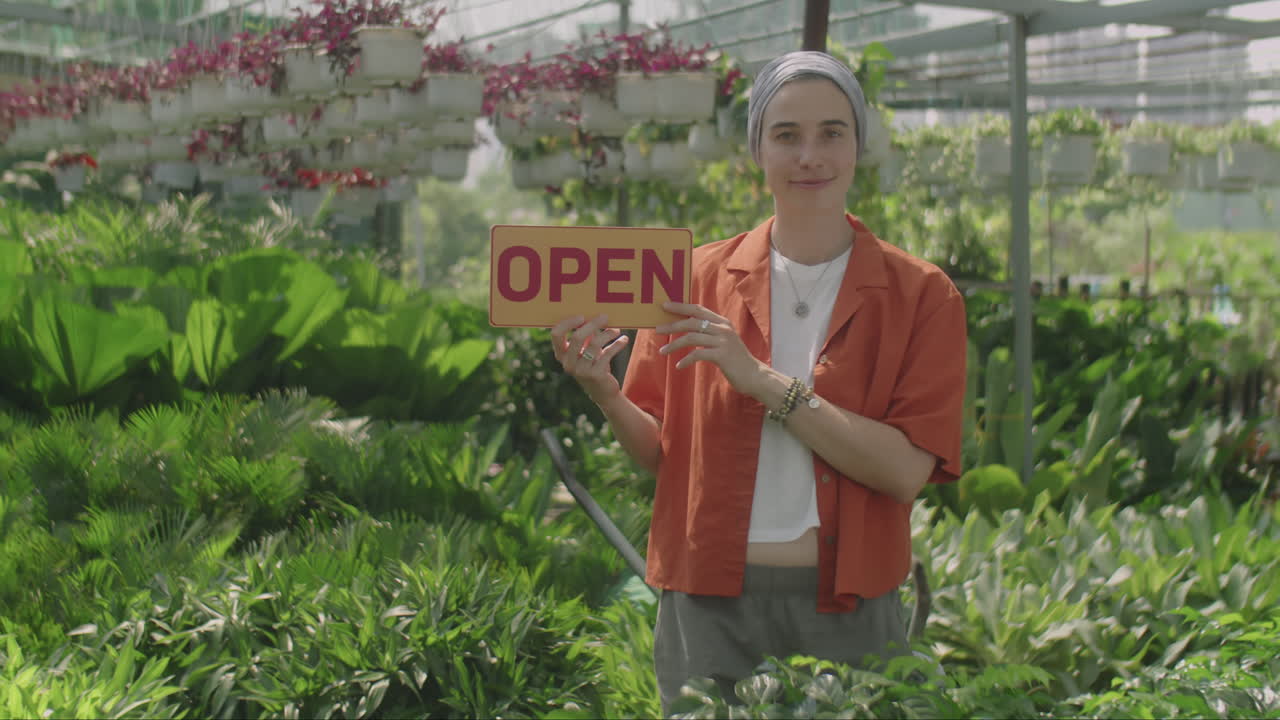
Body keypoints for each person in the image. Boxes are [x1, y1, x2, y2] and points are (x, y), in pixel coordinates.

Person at [549, 51, 966, 715]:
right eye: (786, 135)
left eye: (833, 132)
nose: (810, 155)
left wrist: (762, 381)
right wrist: (605, 390)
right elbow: (661, 455)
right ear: (757, 150)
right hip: (709, 607)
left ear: (858, 146)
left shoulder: (920, 295)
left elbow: (905, 471)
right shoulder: (690, 280)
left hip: (851, 607)